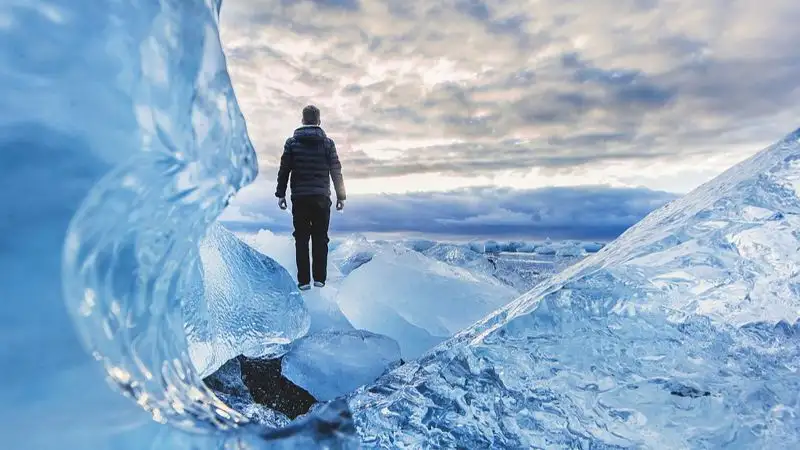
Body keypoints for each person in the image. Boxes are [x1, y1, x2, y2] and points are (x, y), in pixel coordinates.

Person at [275, 105, 346, 291]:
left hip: (300, 198)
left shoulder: (291, 143)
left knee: (301, 239)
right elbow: (336, 171)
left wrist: (281, 194)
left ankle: (304, 281)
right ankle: (320, 279)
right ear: (319, 121)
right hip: (322, 198)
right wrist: (341, 196)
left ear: (303, 120)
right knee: (320, 238)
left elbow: (284, 170)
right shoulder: (328, 143)